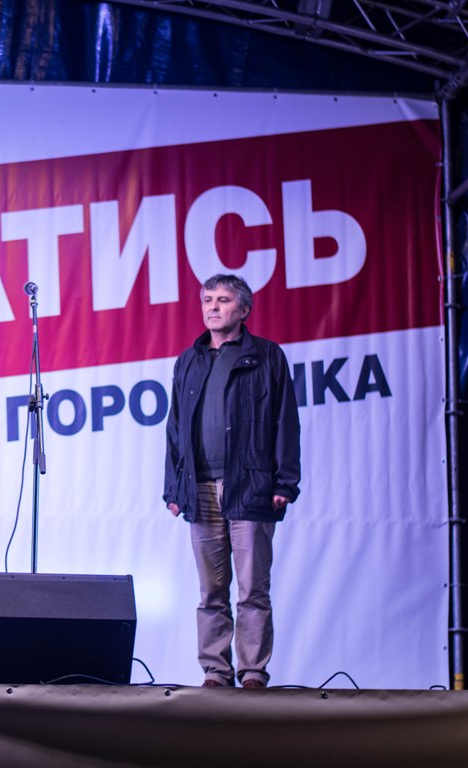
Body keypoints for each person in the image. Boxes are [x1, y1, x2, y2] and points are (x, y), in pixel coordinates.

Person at [163, 273, 300, 689]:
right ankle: (216, 672)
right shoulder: (189, 360)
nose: (213, 307)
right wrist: (173, 488)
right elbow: (175, 429)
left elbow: (285, 421)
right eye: (207, 299)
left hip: (251, 488)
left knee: (252, 590)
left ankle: (253, 671)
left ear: (243, 309)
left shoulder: (267, 356)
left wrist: (284, 482)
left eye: (222, 300)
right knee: (211, 592)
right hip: (200, 489)